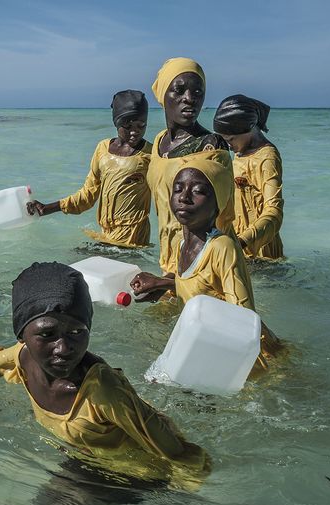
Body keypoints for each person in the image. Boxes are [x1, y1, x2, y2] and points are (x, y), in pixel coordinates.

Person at [0, 262, 210, 488]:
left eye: (77, 332)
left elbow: (177, 452)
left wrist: (185, 493)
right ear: (21, 335)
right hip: (84, 455)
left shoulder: (103, 390)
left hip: (133, 471)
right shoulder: (21, 357)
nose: (63, 349)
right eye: (47, 334)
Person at [131, 152, 281, 370]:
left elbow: (243, 319)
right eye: (178, 188)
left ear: (218, 202)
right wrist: (163, 284)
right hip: (209, 343)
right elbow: (205, 290)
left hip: (258, 357)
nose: (184, 197)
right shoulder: (182, 244)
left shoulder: (222, 247)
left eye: (199, 191)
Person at [26, 91, 152, 248]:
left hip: (133, 238)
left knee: (75, 260)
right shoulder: (103, 149)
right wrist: (47, 208)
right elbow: (87, 196)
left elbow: (166, 196)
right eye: (128, 126)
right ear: (116, 122)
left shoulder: (151, 155)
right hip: (107, 235)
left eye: (141, 125)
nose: (135, 132)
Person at [147, 58, 230, 274]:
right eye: (179, 90)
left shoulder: (210, 145)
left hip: (199, 262)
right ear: (163, 95)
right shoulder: (158, 142)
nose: (189, 99)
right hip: (167, 258)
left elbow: (223, 214)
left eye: (198, 92)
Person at [213, 95, 284, 260]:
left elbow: (274, 211)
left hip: (260, 252)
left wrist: (243, 241)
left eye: (231, 140)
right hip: (235, 244)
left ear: (249, 128)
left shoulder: (267, 157)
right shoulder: (240, 152)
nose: (228, 146)